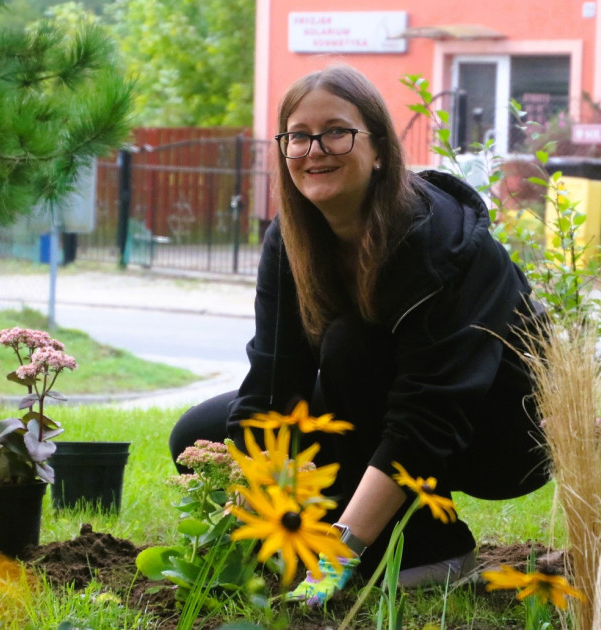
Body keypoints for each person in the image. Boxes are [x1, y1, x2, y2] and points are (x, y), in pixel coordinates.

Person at [168, 64, 549, 605]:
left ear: (380, 150)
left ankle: (431, 549)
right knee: (201, 435)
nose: (314, 149)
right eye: (298, 136)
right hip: (389, 405)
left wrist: (335, 555)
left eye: (337, 132)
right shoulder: (292, 238)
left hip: (500, 431)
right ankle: (359, 538)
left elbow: (428, 417)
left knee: (351, 346)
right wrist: (248, 528)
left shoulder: (445, 247)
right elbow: (275, 386)